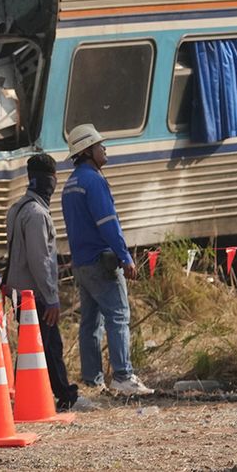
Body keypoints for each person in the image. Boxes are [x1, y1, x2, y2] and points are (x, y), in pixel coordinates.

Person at [60, 124, 153, 397]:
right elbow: (108, 222)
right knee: (118, 316)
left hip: (81, 262)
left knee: (90, 321)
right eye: (100, 145)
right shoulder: (94, 181)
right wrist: (125, 256)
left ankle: (92, 380)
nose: (104, 149)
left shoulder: (71, 184)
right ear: (88, 151)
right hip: (101, 261)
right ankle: (123, 377)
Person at [4, 152, 86, 412]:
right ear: (48, 181)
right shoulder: (38, 214)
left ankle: (28, 394)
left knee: (32, 348)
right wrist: (51, 298)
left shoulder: (17, 209)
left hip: (20, 293)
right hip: (35, 295)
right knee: (49, 347)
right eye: (53, 178)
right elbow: (40, 261)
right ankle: (66, 396)